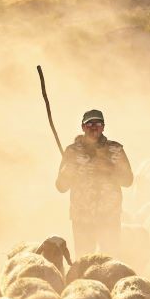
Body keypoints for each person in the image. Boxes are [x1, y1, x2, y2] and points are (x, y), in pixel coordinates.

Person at [55, 109, 133, 259]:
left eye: (97, 123)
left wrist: (110, 169)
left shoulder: (115, 149)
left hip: (109, 216)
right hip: (82, 217)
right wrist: (68, 172)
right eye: (89, 123)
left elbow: (128, 181)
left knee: (111, 260)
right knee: (83, 260)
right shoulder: (71, 152)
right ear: (83, 127)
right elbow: (61, 187)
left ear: (103, 127)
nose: (93, 127)